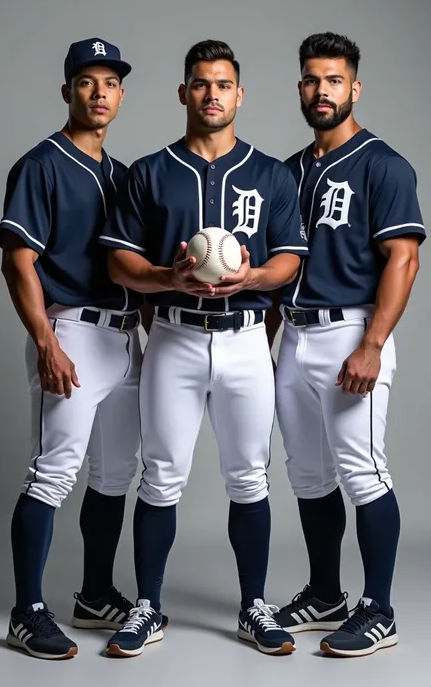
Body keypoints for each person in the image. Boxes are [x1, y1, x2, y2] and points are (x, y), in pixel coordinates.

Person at [98, 39, 309, 658]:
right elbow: (118, 263)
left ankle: (254, 606)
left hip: (245, 340)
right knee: (160, 476)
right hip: (174, 337)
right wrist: (167, 278)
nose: (211, 94)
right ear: (183, 92)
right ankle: (147, 607)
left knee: (249, 477)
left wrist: (251, 278)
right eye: (200, 83)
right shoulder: (149, 171)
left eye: (223, 84)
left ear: (239, 94)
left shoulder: (271, 173)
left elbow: (290, 260)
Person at [265, 32, 426, 657]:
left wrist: (374, 343)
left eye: (334, 80)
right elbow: (278, 269)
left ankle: (379, 609)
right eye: (311, 79)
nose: (321, 90)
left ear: (354, 89)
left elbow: (404, 260)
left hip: (351, 333)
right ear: (300, 89)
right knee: (306, 474)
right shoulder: (286, 172)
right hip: (294, 336)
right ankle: (326, 592)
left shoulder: (382, 164)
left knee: (362, 470)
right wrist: (268, 344)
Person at [0, 37, 145, 660]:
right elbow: (18, 260)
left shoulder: (125, 173)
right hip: (71, 332)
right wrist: (45, 342)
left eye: (110, 82)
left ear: (121, 94)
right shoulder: (42, 163)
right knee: (53, 473)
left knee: (114, 476)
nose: (99, 92)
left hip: (126, 337)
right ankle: (26, 611)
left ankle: (94, 592)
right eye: (87, 81)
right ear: (67, 91)